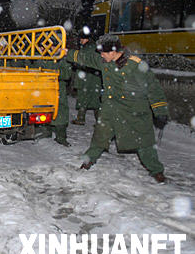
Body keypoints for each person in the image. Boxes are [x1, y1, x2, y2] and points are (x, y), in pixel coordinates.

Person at [65, 34, 169, 183]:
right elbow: (87, 58)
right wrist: (66, 52)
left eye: (103, 52)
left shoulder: (136, 65)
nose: (101, 55)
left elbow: (153, 88)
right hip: (110, 108)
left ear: (113, 52)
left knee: (144, 143)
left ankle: (157, 171)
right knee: (100, 137)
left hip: (133, 110)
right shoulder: (104, 61)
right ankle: (88, 161)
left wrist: (160, 111)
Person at [33, 51, 73, 146]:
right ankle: (45, 131)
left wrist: (52, 72)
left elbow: (67, 74)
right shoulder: (39, 55)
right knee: (42, 109)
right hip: (43, 87)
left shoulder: (62, 57)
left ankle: (61, 136)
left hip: (57, 87)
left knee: (60, 111)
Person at [71, 31, 102, 125]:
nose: (80, 41)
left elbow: (81, 61)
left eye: (81, 39)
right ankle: (99, 121)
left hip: (86, 78)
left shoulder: (86, 49)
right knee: (95, 100)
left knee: (83, 98)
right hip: (94, 78)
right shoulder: (95, 48)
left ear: (86, 39)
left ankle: (81, 118)